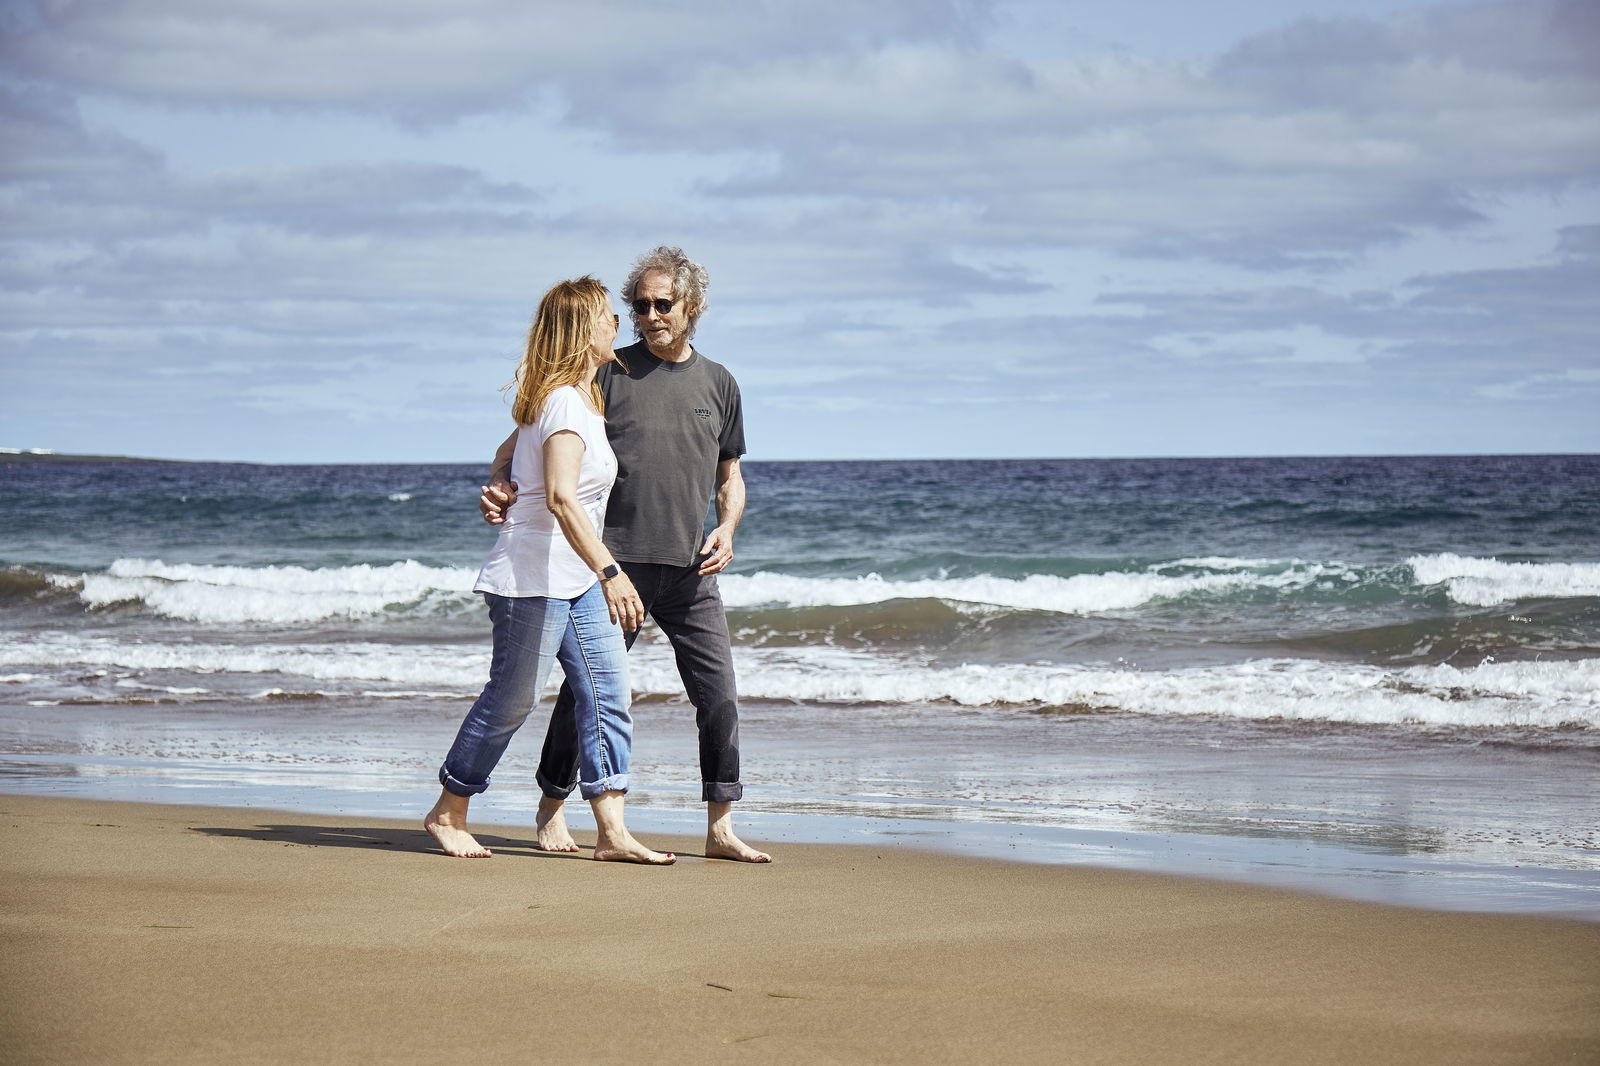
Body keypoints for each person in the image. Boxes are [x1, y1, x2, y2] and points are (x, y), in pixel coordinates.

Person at [482, 246, 771, 863]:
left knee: (718, 694)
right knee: (587, 692)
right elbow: (525, 436)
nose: (647, 315)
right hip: (614, 566)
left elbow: (731, 475)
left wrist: (728, 526)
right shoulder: (609, 371)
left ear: (691, 306)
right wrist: (504, 481)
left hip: (691, 571)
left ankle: (720, 828)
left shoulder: (720, 383)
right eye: (637, 305)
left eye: (661, 304)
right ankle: (551, 809)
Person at [425, 275, 674, 865]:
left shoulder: (580, 397)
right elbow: (562, 497)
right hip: (534, 576)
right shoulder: (563, 399)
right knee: (514, 699)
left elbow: (511, 448)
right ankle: (449, 808)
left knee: (609, 692)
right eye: (610, 317)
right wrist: (613, 571)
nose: (620, 324)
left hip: (577, 578)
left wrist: (498, 476)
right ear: (584, 330)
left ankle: (612, 831)